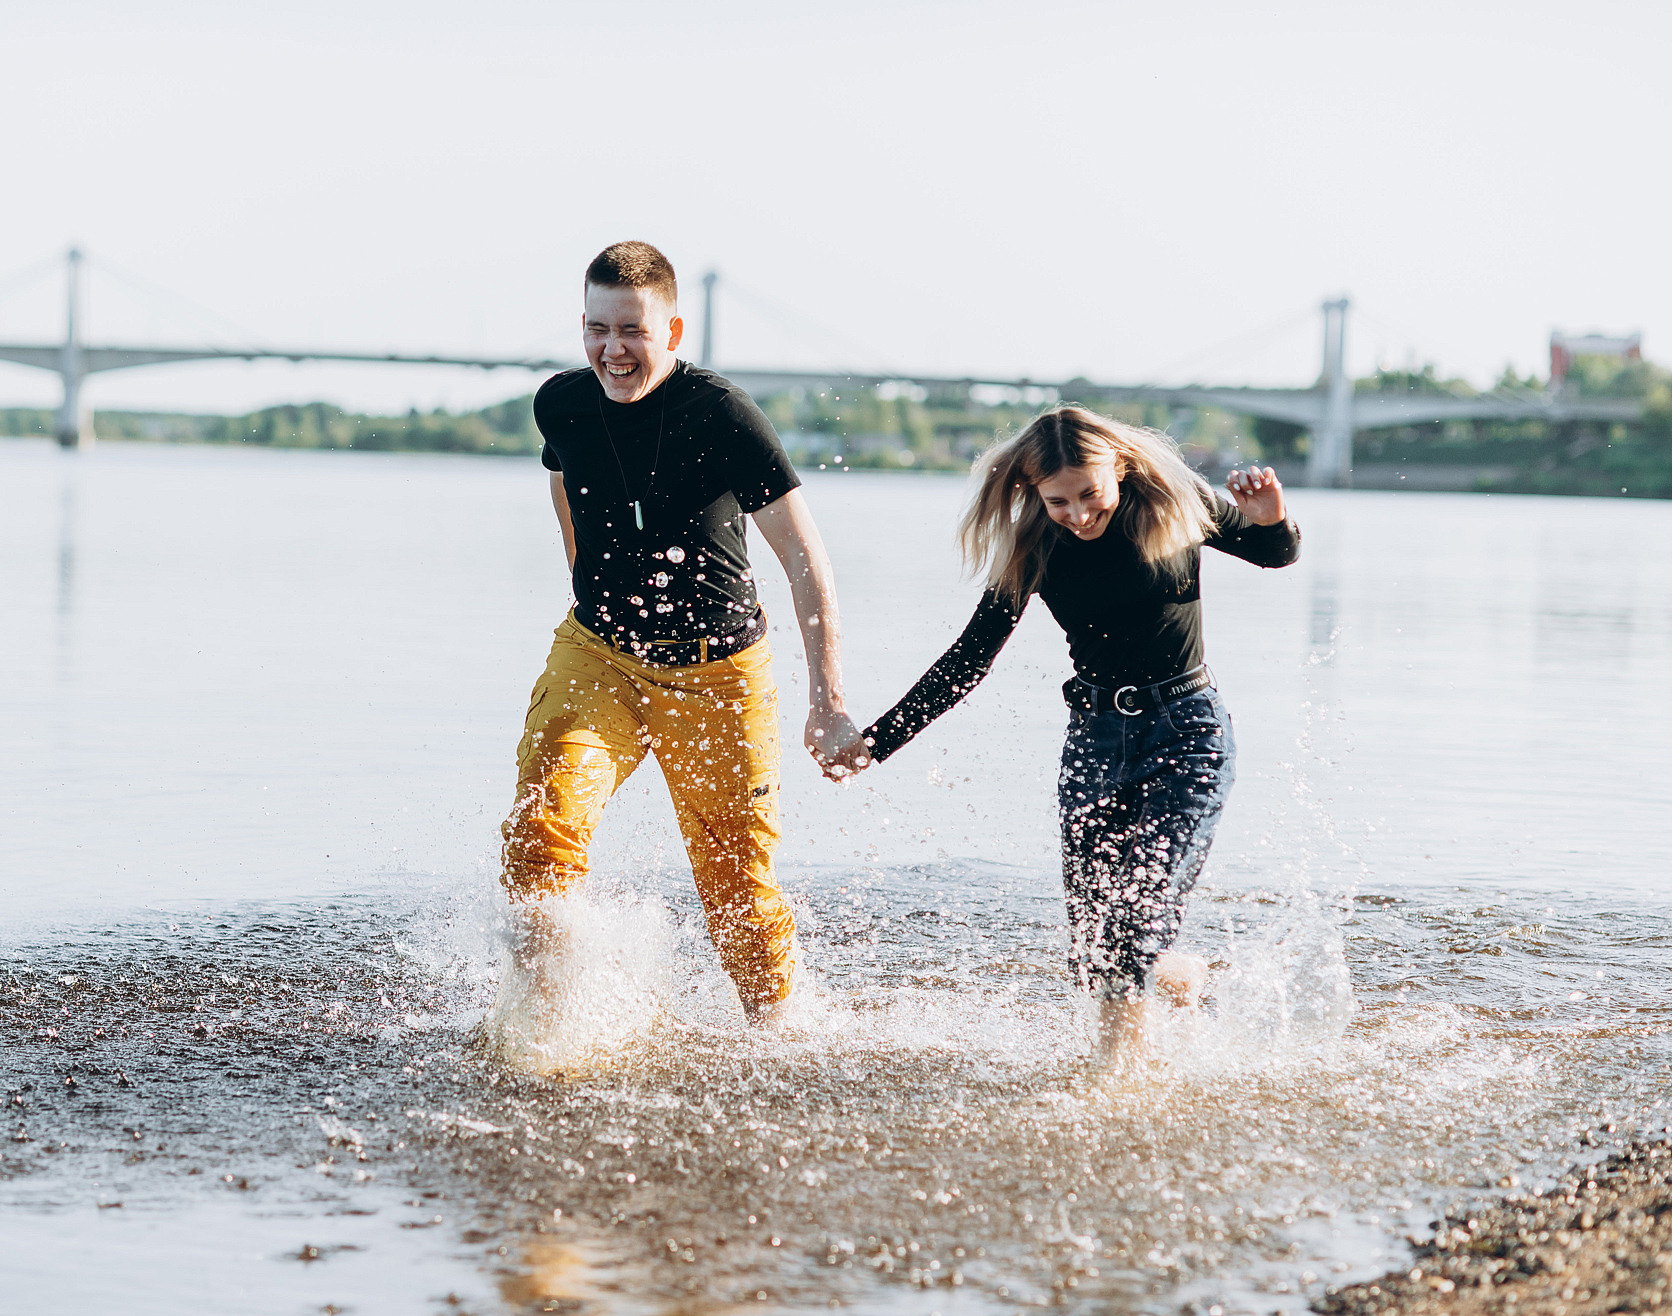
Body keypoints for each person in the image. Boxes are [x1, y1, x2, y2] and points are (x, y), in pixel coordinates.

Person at [829, 405, 1298, 1068]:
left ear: (1121, 471)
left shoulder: (1175, 503)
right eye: (1058, 501)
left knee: (1133, 926)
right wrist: (875, 743)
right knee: (1092, 956)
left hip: (1187, 733)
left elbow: (1275, 553)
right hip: (1095, 743)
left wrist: (1272, 514)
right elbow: (968, 661)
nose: (1077, 514)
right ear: (1030, 491)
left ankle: (1113, 1088)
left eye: (1090, 494)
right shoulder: (1034, 546)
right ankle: (1178, 973)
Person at [494, 240, 859, 1037]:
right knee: (539, 826)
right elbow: (569, 502)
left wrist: (827, 702)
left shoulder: (722, 415)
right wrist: (588, 599)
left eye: (631, 331)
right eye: (596, 329)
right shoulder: (559, 403)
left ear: (674, 329)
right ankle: (548, 1029)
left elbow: (804, 558)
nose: (611, 350)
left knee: (737, 892)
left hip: (719, 673)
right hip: (599, 652)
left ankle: (778, 1033)